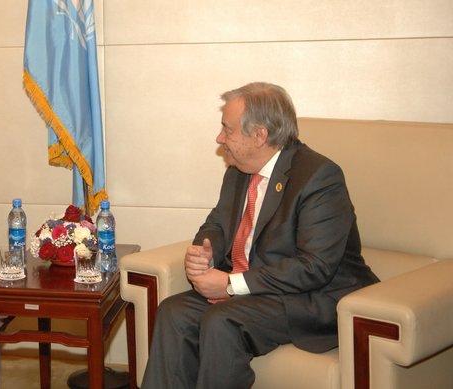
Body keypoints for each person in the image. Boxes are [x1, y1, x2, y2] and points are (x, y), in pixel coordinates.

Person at [141, 82, 379, 389]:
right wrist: (205, 250)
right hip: (259, 292)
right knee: (174, 311)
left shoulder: (319, 177)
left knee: (222, 320)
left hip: (313, 298)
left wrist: (229, 284)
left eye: (227, 130)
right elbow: (217, 222)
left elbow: (315, 266)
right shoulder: (238, 170)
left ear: (259, 135)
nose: (219, 138)